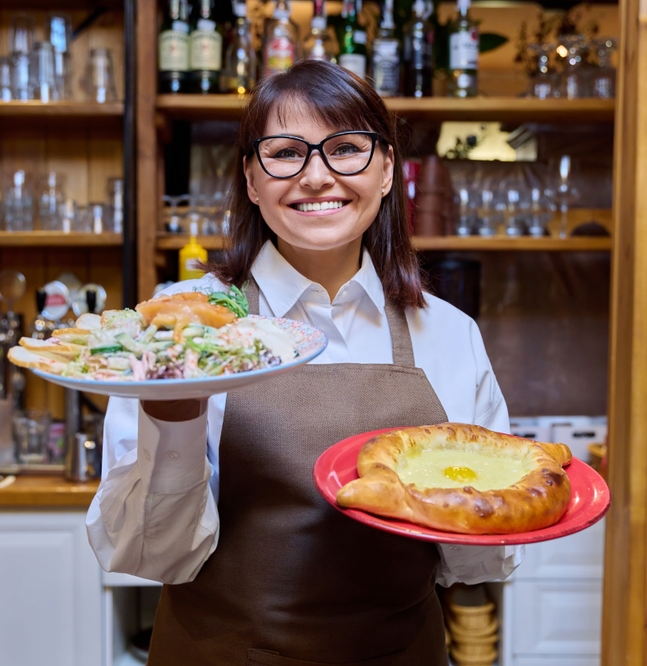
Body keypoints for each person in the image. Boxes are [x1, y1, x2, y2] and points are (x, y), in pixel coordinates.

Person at [86, 60, 520, 666]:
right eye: (287, 152)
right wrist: (175, 414)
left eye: (345, 148)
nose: (317, 176)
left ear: (388, 169)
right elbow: (146, 556)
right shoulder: (176, 330)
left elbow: (476, 563)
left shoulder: (449, 333)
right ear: (252, 178)